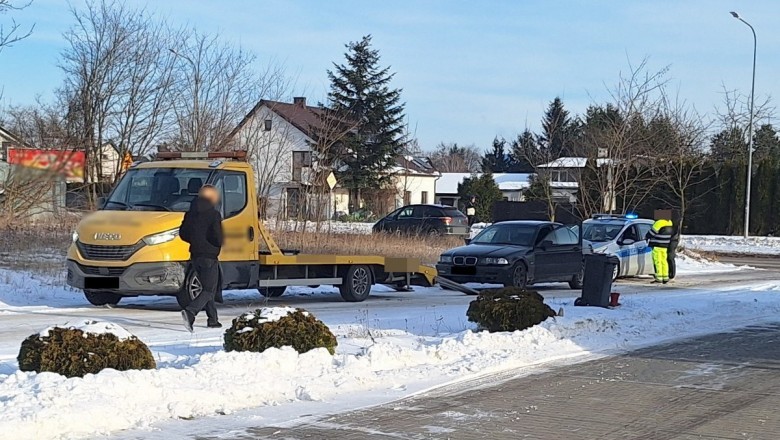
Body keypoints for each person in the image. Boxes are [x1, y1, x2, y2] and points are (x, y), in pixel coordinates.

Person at [179, 185, 223, 332]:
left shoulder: (190, 213)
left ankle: (213, 320)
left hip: (195, 255)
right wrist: (215, 243)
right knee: (209, 289)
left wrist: (196, 240)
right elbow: (217, 237)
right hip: (209, 256)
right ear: (212, 197)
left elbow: (183, 233)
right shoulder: (213, 214)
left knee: (207, 288)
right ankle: (191, 312)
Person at [645, 218, 674, 284]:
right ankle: (665, 277)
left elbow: (652, 232)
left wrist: (646, 237)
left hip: (657, 244)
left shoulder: (659, 222)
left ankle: (659, 278)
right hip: (665, 245)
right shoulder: (669, 222)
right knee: (664, 261)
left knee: (657, 261)